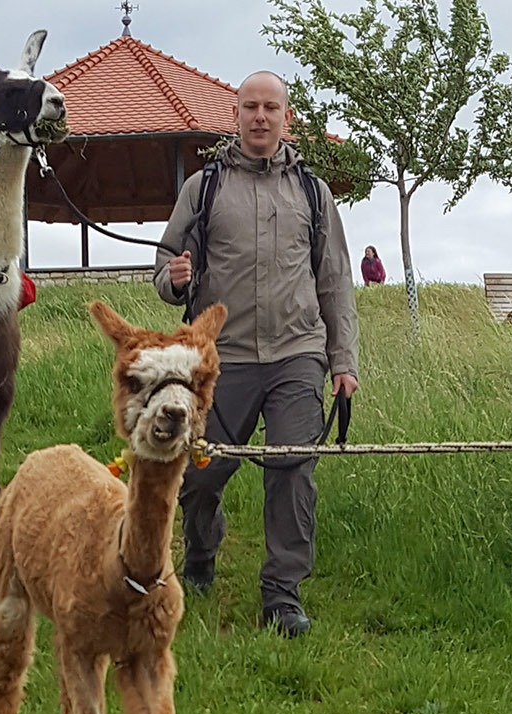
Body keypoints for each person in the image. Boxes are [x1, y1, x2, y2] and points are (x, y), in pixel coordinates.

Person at [153, 70, 360, 638]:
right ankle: (201, 550)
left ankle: (282, 595)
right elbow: (167, 265)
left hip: (298, 353)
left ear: (286, 117)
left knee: (291, 469)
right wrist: (173, 279)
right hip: (222, 357)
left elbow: (335, 280)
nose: (261, 116)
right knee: (201, 476)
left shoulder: (314, 194)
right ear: (236, 115)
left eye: (271, 107)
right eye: (250, 107)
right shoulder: (204, 188)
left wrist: (343, 361)